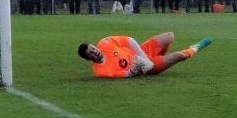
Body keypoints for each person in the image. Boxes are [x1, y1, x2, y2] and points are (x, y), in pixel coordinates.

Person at [78, 33, 212, 78]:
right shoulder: (101, 71)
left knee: (170, 36)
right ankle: (195, 48)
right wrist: (137, 66)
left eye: (93, 48)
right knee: (179, 56)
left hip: (142, 52)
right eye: (91, 53)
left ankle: (157, 57)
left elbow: (129, 40)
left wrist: (143, 56)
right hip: (144, 68)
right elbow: (126, 75)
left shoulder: (104, 43)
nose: (95, 51)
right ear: (88, 59)